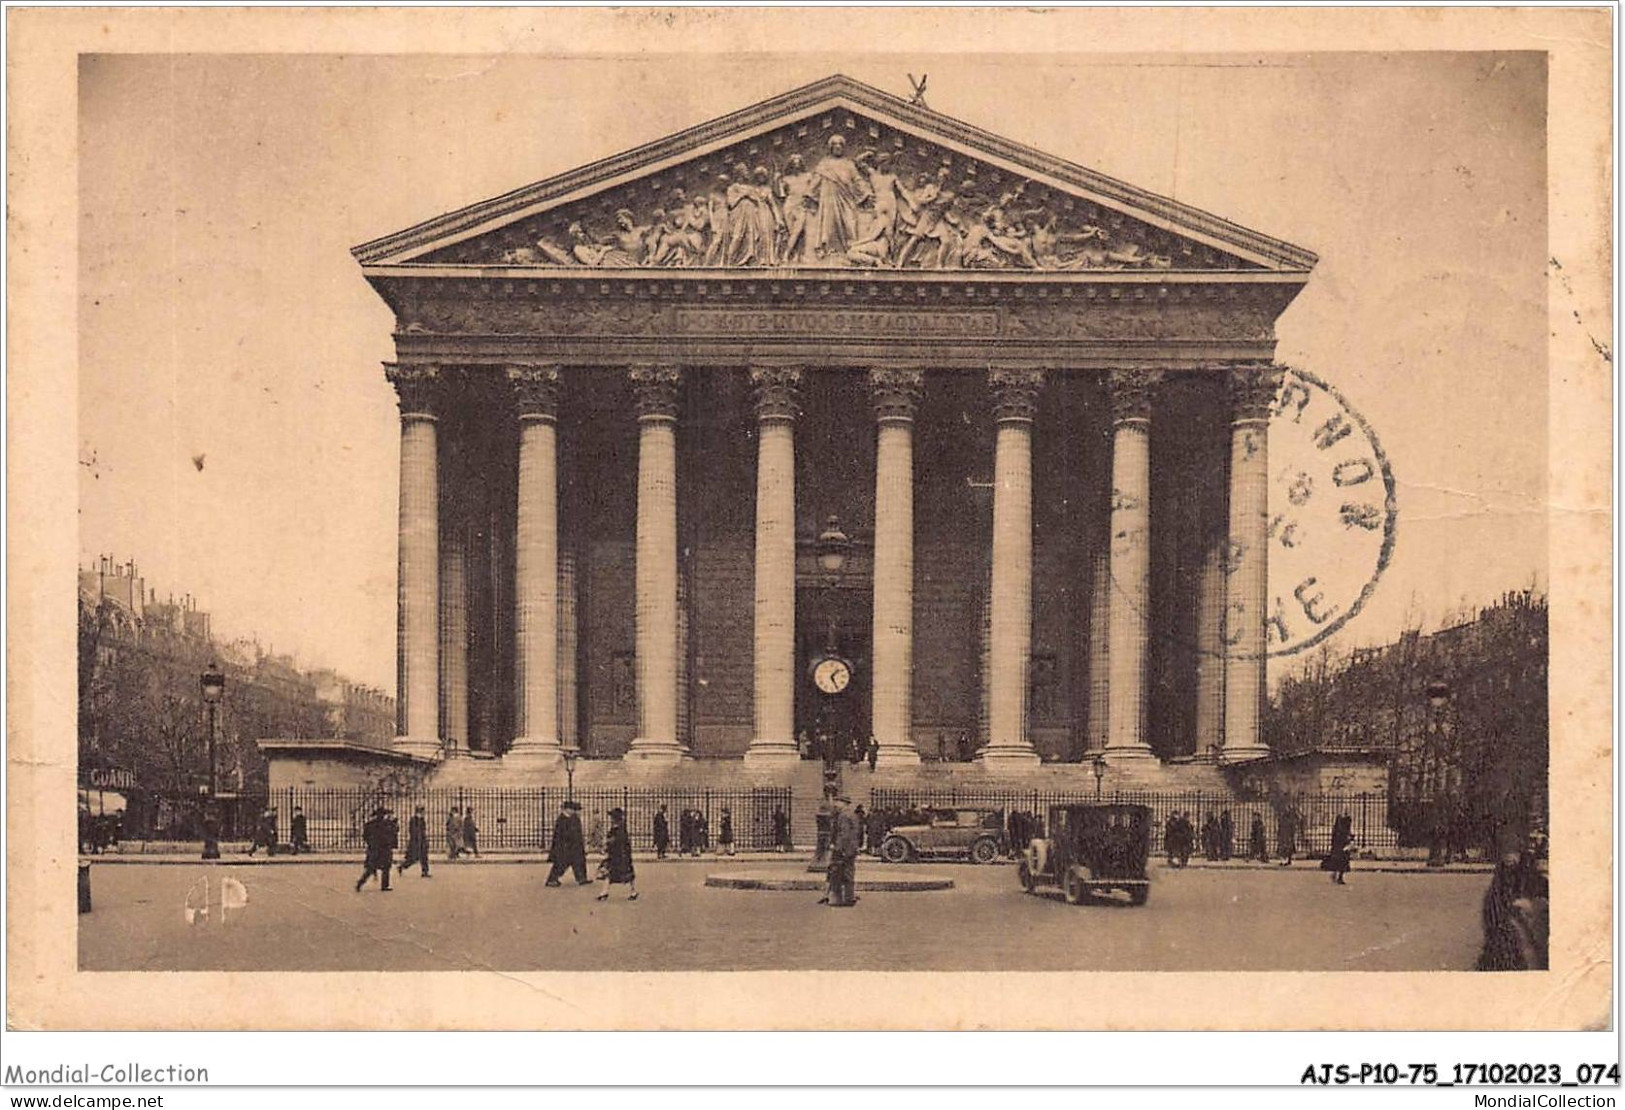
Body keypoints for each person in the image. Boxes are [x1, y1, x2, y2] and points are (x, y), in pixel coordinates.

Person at [594, 807, 639, 902]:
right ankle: (606, 892)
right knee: (623, 874)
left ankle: (605, 893)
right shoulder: (620, 827)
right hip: (620, 855)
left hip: (618, 856)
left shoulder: (618, 828)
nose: (611, 819)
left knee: (613, 874)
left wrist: (608, 842)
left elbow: (617, 841)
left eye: (612, 817)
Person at [825, 794, 862, 907]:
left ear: (843, 803)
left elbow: (844, 834)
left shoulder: (843, 816)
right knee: (849, 873)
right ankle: (849, 898)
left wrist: (838, 848)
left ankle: (837, 899)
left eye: (837, 801)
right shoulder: (853, 815)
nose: (836, 804)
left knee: (837, 872)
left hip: (844, 849)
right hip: (851, 848)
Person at [355, 806, 396, 892]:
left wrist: (370, 844)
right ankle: (384, 885)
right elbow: (392, 834)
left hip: (374, 849)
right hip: (384, 849)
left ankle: (360, 883)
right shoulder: (387, 824)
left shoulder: (370, 824)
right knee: (386, 868)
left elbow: (365, 836)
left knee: (371, 869)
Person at [398, 804, 431, 878]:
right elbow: (413, 831)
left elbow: (423, 831)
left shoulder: (422, 820)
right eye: (422, 811)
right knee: (413, 858)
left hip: (422, 842)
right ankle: (402, 866)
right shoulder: (413, 820)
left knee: (424, 857)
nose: (424, 813)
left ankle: (425, 871)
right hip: (415, 842)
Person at [1321, 812, 1354, 885]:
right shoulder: (1341, 830)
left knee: (1339, 863)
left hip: (1340, 848)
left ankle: (1337, 876)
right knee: (1340, 863)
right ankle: (1338, 877)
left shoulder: (1340, 829)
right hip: (1340, 848)